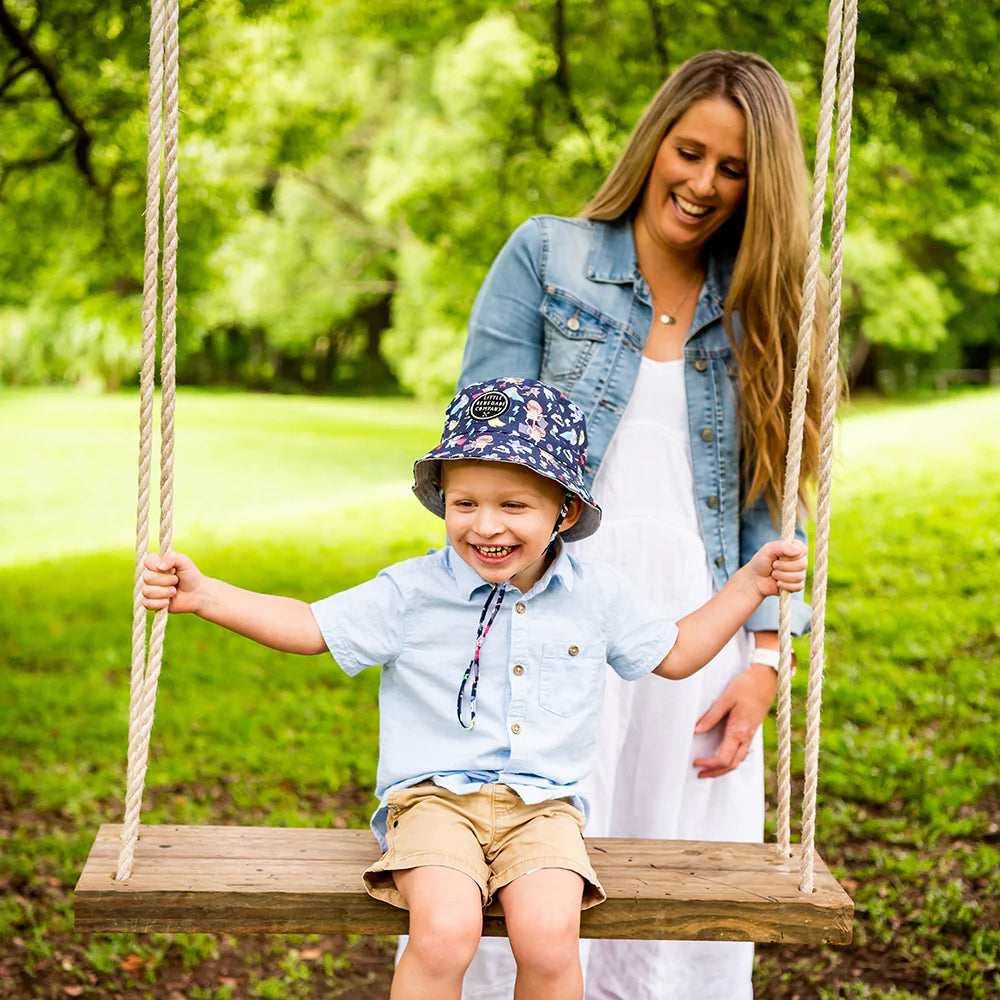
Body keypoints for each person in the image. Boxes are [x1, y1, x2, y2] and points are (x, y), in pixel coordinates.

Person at [141, 376, 808, 1000]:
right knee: (446, 929)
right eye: (465, 504)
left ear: (566, 512)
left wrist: (750, 583)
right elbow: (313, 626)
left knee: (550, 936)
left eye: (513, 505)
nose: (485, 527)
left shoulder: (597, 596)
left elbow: (677, 652)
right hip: (434, 803)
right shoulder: (413, 591)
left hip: (545, 810)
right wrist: (208, 596)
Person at [456, 51, 823, 1000]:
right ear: (655, 140)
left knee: (679, 907)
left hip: (693, 636)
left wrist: (766, 663)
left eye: (732, 169)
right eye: (689, 151)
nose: (701, 183)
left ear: (757, 186)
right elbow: (480, 455)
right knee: (522, 875)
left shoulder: (762, 309)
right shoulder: (547, 257)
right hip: (548, 616)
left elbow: (766, 508)